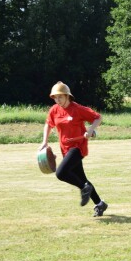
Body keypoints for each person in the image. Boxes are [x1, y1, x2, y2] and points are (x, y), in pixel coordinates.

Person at [39, 81, 108, 217]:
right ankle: (100, 204)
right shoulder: (54, 110)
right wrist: (44, 141)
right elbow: (48, 125)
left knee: (61, 173)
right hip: (65, 149)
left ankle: (84, 188)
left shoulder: (77, 109)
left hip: (77, 148)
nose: (57, 100)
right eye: (55, 97)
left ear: (67, 96)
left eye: (60, 97)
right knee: (82, 178)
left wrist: (90, 129)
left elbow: (98, 117)